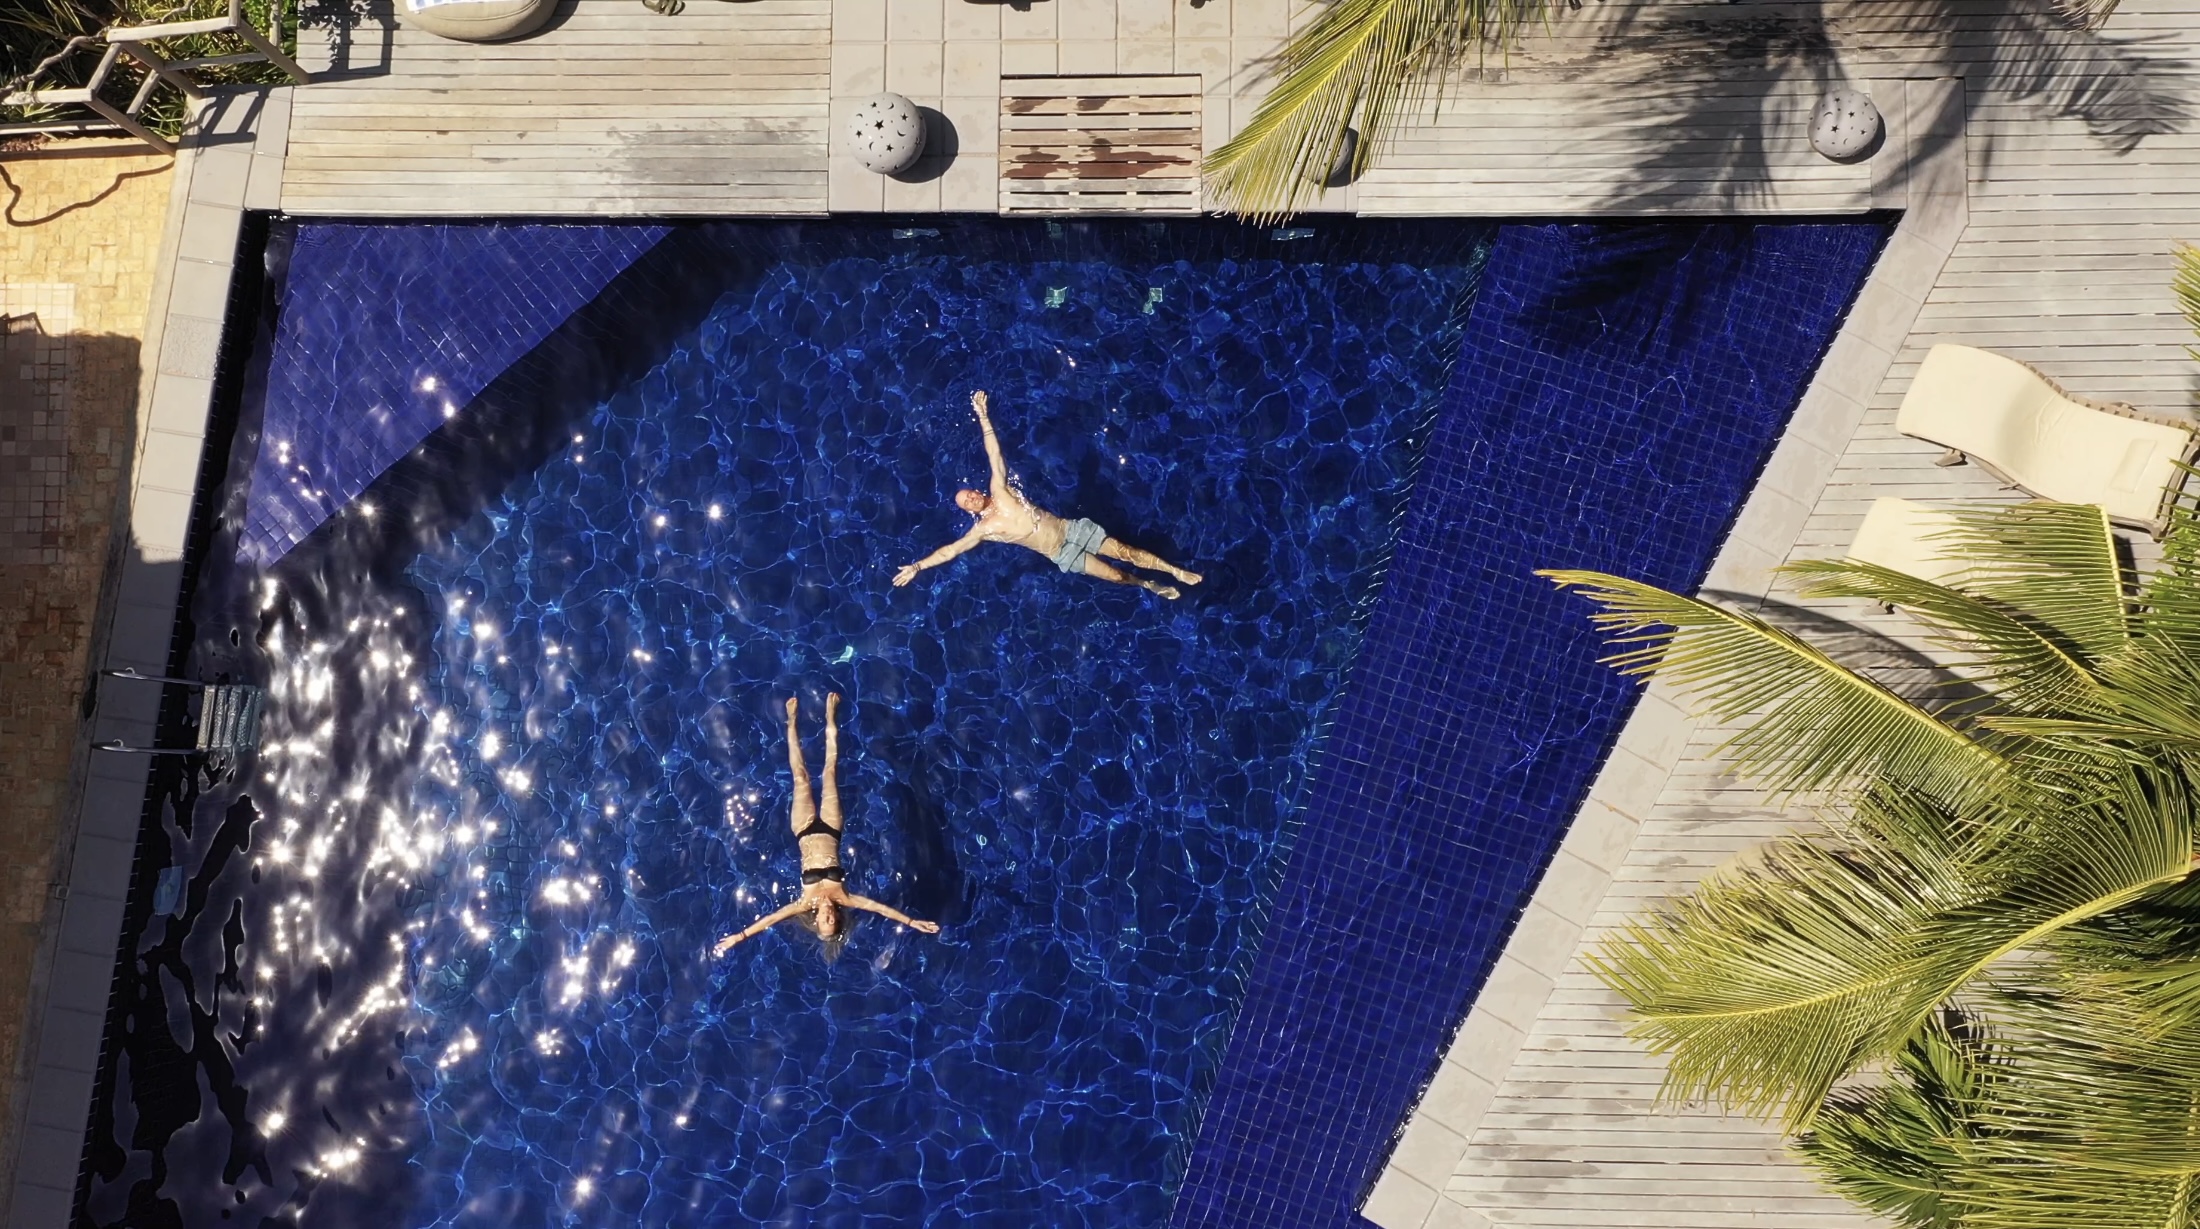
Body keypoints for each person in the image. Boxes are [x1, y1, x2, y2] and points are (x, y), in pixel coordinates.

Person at [891, 391, 1203, 600]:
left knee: (1125, 551)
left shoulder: (999, 490)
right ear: (968, 511)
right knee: (1117, 576)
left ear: (976, 491)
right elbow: (951, 551)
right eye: (966, 503)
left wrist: (983, 416)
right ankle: (1145, 583)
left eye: (970, 494)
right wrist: (918, 567)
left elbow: (994, 453)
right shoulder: (984, 529)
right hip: (1059, 553)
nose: (971, 499)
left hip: (1070, 529)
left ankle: (1175, 570)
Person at [712, 694, 940, 955]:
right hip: (832, 829)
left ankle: (791, 721)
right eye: (834, 921)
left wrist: (738, 937)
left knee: (800, 777)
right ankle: (832, 716)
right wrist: (912, 922)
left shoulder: (803, 902)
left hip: (804, 829)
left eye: (825, 922)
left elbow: (771, 919)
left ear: (817, 920)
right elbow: (879, 908)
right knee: (830, 771)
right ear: (838, 918)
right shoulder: (845, 897)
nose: (829, 918)